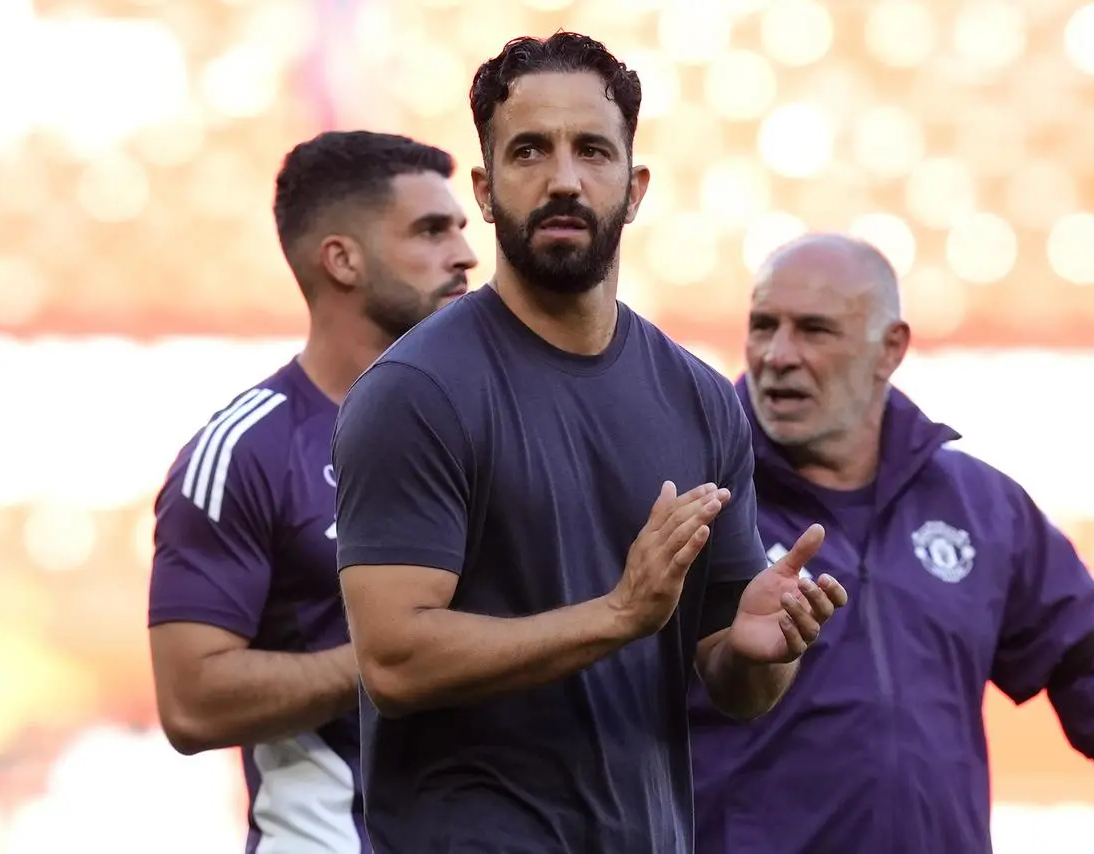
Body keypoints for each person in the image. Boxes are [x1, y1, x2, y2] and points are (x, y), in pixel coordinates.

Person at [332, 32, 848, 854]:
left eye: (593, 151)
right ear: (487, 189)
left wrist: (762, 650)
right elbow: (394, 663)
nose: (564, 179)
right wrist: (616, 616)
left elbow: (731, 678)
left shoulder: (702, 400)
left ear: (634, 187)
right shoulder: (416, 392)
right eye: (530, 151)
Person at [688, 233, 1094, 854]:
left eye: (814, 330)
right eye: (763, 326)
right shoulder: (703, 498)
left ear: (890, 349)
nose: (778, 354)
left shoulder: (980, 507)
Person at [147, 130, 477, 853]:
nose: (464, 254)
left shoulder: (495, 430)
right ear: (342, 260)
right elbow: (191, 703)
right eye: (430, 231)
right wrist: (411, 653)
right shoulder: (244, 452)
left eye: (460, 228)